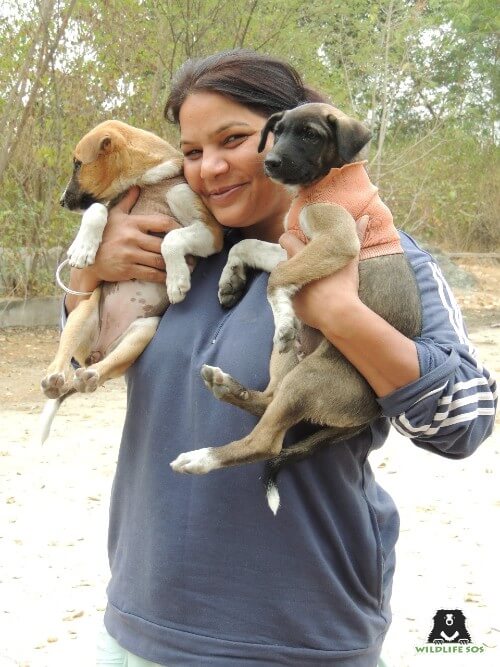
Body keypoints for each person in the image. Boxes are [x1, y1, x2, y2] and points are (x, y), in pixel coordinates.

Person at [64, 50, 497, 666]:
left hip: (298, 638)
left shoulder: (377, 251)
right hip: (138, 629)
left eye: (233, 139)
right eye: (191, 151)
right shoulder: (179, 253)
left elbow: (464, 421)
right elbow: (88, 360)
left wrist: (342, 314)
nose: (210, 168)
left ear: (290, 132)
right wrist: (89, 274)